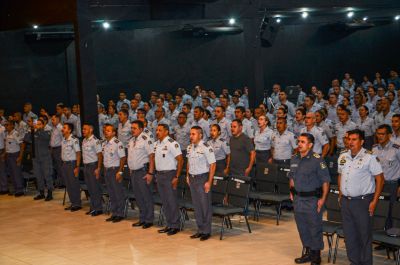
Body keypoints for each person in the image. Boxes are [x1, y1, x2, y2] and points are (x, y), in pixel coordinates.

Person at [338, 129, 384, 265]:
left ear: (362, 141)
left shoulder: (369, 157)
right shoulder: (343, 156)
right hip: (346, 202)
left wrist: (374, 201)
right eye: (349, 139)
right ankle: (354, 262)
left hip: (362, 202)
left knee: (364, 236)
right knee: (349, 236)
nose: (350, 142)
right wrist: (341, 194)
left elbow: (380, 179)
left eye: (354, 139)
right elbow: (340, 175)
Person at [289, 133, 330, 265]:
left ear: (310, 145)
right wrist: (291, 192)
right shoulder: (294, 158)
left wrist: (323, 199)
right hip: (298, 199)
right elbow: (291, 177)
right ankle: (307, 253)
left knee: (314, 227)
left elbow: (325, 181)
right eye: (298, 141)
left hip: (312, 199)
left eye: (303, 142)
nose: (299, 144)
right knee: (302, 227)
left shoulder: (317, 160)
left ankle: (316, 256)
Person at [186, 126, 216, 241]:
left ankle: (206, 231)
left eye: (193, 134)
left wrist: (209, 181)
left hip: (202, 178)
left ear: (200, 135)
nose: (191, 136)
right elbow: (188, 162)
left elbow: (213, 164)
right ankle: (200, 229)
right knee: (197, 206)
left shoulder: (206, 147)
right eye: (190, 134)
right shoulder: (190, 147)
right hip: (193, 179)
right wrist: (188, 176)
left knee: (205, 206)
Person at [154, 124, 183, 236]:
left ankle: (175, 225)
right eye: (156, 130)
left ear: (166, 132)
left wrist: (176, 176)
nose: (157, 132)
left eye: (160, 130)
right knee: (165, 201)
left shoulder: (172, 143)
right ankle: (169, 224)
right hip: (160, 175)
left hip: (169, 174)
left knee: (171, 201)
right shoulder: (156, 144)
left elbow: (180, 160)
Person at [127, 120, 155, 229]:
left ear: (141, 129)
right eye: (131, 128)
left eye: (134, 128)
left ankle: (149, 219)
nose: (132, 130)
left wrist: (150, 173)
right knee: (138, 196)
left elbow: (151, 156)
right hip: (134, 172)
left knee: (146, 196)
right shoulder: (131, 141)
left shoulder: (145, 140)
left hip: (143, 171)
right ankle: (142, 218)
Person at [372, 124, 400, 230]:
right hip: (378, 184)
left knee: (391, 211)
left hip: (392, 184)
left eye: (382, 134)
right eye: (378, 134)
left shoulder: (396, 149)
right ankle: (379, 235)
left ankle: (390, 239)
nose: (380, 136)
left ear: (389, 135)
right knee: (379, 210)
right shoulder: (374, 148)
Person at [102, 124, 126, 223]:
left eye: (108, 130)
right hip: (107, 170)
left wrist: (120, 171)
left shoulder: (117, 143)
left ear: (113, 133)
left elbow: (123, 158)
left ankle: (120, 214)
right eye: (105, 130)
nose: (105, 132)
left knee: (118, 193)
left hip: (115, 170)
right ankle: (114, 213)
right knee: (111, 193)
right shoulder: (104, 143)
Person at [82, 124, 103, 216]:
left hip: (93, 166)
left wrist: (98, 168)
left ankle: (98, 208)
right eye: (83, 129)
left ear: (91, 130)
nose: (83, 130)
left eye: (85, 129)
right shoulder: (84, 140)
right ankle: (93, 207)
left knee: (95, 188)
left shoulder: (95, 141)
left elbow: (100, 156)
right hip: (86, 166)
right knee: (90, 188)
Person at [30, 118, 53, 201]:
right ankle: (41, 193)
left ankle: (50, 193)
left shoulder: (47, 132)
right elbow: (27, 139)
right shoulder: (34, 133)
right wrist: (31, 129)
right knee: (38, 176)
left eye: (40, 124)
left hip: (45, 157)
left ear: (43, 125)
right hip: (36, 158)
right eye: (37, 124)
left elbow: (46, 138)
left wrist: (38, 129)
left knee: (47, 175)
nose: (37, 125)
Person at [61, 123, 82, 211]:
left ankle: (77, 204)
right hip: (65, 164)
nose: (62, 129)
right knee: (68, 185)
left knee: (74, 184)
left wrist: (77, 166)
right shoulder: (63, 140)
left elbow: (78, 153)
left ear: (69, 130)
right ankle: (73, 202)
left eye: (64, 128)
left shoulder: (74, 140)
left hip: (72, 164)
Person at [4, 120, 25, 197]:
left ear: (12, 125)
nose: (6, 126)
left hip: (15, 155)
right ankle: (16, 189)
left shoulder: (15, 133)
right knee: (11, 173)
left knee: (16, 173)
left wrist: (20, 157)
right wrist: (5, 154)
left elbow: (22, 145)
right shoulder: (7, 134)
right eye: (6, 125)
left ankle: (20, 190)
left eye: (8, 125)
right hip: (9, 156)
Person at [50, 115, 64, 188]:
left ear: (58, 120)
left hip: (59, 149)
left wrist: (62, 151)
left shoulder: (60, 128)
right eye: (52, 120)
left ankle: (62, 183)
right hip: (53, 149)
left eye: (53, 120)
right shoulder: (54, 128)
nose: (52, 121)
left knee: (60, 167)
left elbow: (63, 139)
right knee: (56, 167)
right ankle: (58, 182)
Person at [0, 123, 6, 194]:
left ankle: (4, 188)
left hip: (1, 150)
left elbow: (5, 140)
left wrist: (4, 152)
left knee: (2, 170)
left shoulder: (2, 128)